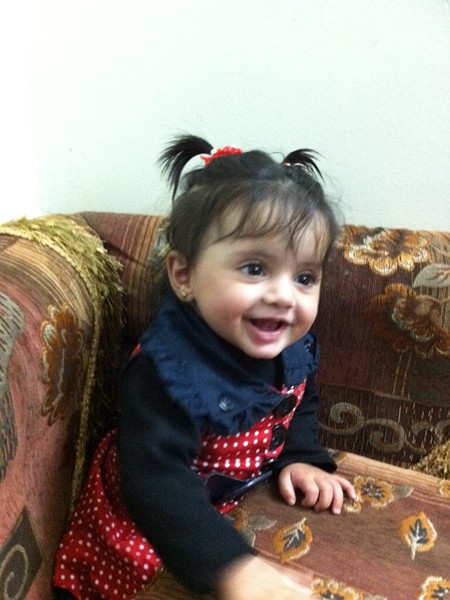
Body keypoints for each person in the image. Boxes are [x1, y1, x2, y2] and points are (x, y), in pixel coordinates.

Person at [53, 135, 356, 600]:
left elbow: (300, 400)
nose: (283, 295)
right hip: (147, 524)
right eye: (254, 268)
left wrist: (300, 457)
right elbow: (156, 481)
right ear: (184, 275)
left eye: (304, 277)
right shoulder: (167, 371)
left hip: (225, 500)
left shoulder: (289, 344)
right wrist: (236, 570)